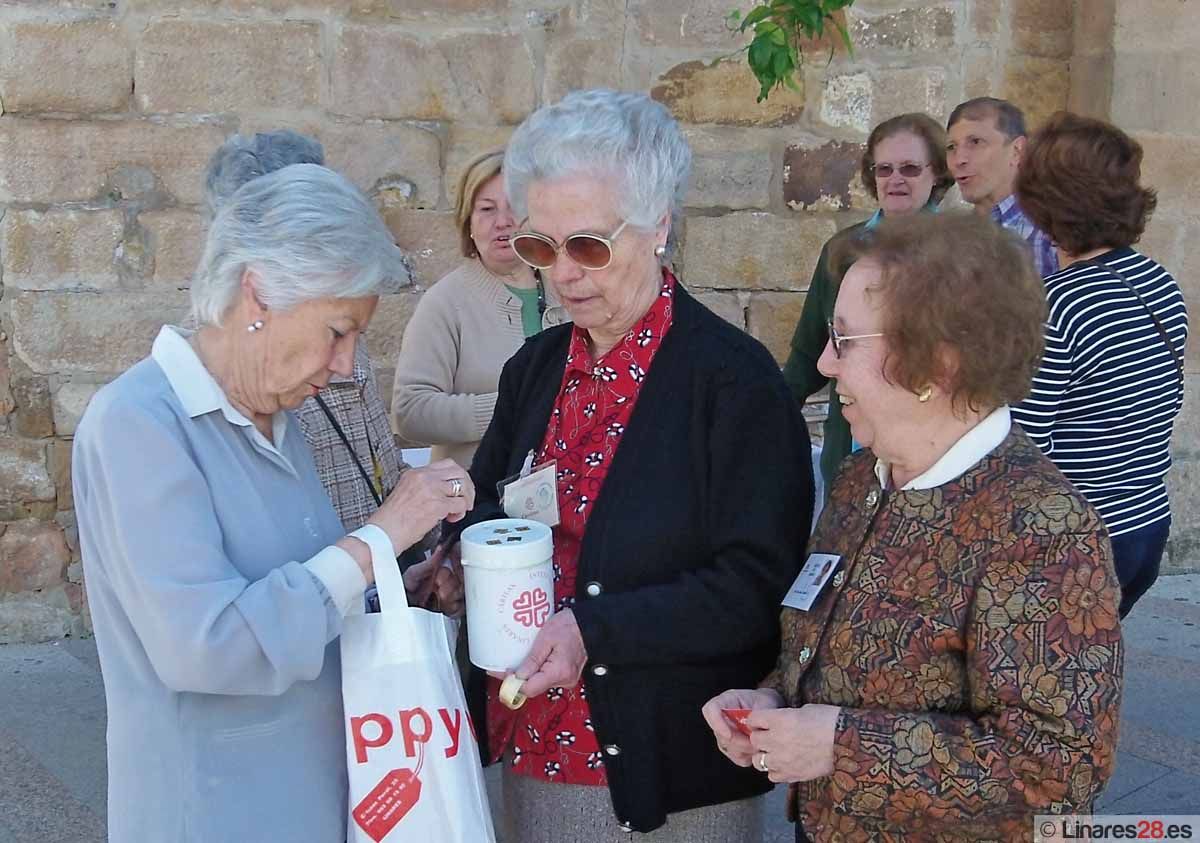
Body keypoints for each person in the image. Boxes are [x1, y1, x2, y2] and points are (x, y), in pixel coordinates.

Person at [448, 89, 814, 840]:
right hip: (533, 733)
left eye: (588, 245)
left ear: (659, 228)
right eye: (540, 248)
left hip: (668, 762)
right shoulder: (536, 367)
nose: (563, 274)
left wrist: (595, 628)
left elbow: (755, 587)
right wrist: (456, 560)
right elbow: (491, 504)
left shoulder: (734, 383)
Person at [72, 164, 475, 842]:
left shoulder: (280, 421)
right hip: (209, 810)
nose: (347, 364)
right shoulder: (137, 424)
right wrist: (378, 536)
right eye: (338, 330)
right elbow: (207, 647)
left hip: (314, 798)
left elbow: (302, 593)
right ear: (256, 294)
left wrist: (393, 584)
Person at [705, 212, 1123, 843]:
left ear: (937, 366)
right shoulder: (859, 479)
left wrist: (839, 748)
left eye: (844, 341)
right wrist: (774, 704)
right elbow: (827, 638)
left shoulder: (1040, 529)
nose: (823, 361)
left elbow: (1063, 762)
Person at [1012, 112, 1190, 618]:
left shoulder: (1060, 302)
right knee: (1092, 677)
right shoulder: (1162, 284)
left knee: (1048, 686)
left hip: (1081, 537)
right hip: (1146, 525)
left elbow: (1026, 444)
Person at [204, 129, 409, 532]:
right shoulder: (234, 374)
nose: (344, 364)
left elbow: (381, 458)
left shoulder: (340, 334)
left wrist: (418, 551)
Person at [783, 113, 954, 490]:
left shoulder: (960, 254)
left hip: (933, 458)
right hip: (850, 458)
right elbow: (808, 355)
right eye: (884, 169)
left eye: (910, 168)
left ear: (937, 174)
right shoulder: (842, 251)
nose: (895, 179)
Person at [392, 150, 569, 468]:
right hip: (476, 500)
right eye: (487, 209)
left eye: (514, 207)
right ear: (468, 223)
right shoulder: (445, 303)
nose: (502, 221)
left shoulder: (569, 287)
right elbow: (409, 412)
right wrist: (509, 408)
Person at [946, 96, 1058, 278]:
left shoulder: (1051, 232)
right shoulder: (953, 237)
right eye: (951, 147)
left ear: (1017, 151)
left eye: (975, 142)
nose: (959, 159)